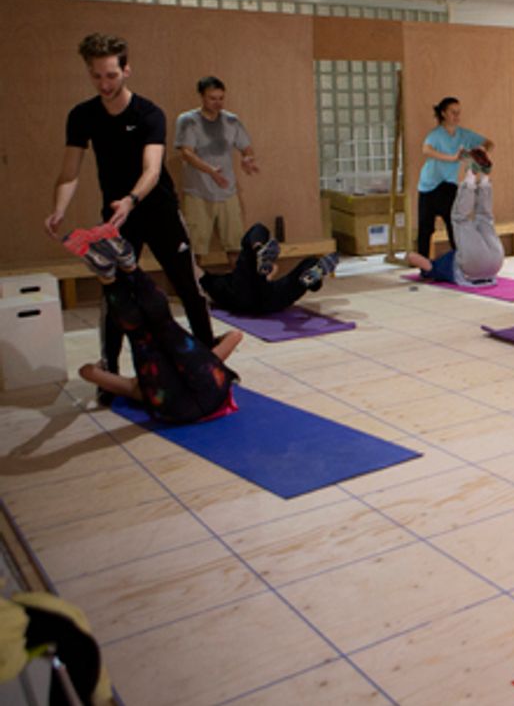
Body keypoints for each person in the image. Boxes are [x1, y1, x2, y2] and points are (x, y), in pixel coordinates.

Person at [45, 33, 216, 381]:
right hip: (117, 217)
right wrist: (59, 209)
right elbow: (69, 172)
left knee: (187, 285)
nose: (104, 83)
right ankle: (111, 367)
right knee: (116, 295)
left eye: (111, 75)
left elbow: (152, 169)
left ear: (126, 70)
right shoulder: (82, 115)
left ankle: (210, 362)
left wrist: (132, 199)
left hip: (157, 209)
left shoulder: (148, 113)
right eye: (97, 76)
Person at [63, 224, 240, 423]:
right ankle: (109, 277)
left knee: (165, 323)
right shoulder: (138, 388)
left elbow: (235, 336)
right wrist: (98, 367)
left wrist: (210, 349)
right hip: (175, 406)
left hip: (213, 390)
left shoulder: (209, 360)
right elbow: (87, 372)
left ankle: (129, 267)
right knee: (140, 334)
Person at [174, 76, 257, 261]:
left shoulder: (231, 121)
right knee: (195, 248)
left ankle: (239, 285)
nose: (217, 103)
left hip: (227, 190)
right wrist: (210, 171)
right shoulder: (188, 120)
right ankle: (195, 287)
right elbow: (186, 153)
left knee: (235, 244)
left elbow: (246, 147)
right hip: (198, 191)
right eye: (212, 98)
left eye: (221, 98)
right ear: (202, 97)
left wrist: (248, 159)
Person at [199, 223, 339, 315]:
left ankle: (308, 276)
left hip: (255, 298)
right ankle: (308, 279)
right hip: (257, 298)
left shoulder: (211, 283)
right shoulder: (211, 281)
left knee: (310, 263)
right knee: (258, 229)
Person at [405, 161, 504, 286]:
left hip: (494, 264)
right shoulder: (438, 268)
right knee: (459, 218)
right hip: (476, 263)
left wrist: (406, 256)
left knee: (485, 217)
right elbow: (414, 258)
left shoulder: (439, 268)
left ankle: (484, 179)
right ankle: (472, 177)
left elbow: (416, 260)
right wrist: (408, 255)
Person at [416, 97, 491, 259]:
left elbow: (488, 143)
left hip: (448, 185)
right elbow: (426, 150)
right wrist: (452, 158)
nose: (457, 116)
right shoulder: (435, 135)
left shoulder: (464, 135)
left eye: (459, 113)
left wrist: (481, 150)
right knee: (425, 228)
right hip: (428, 185)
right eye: (453, 112)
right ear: (443, 114)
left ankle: (461, 261)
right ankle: (422, 264)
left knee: (454, 224)